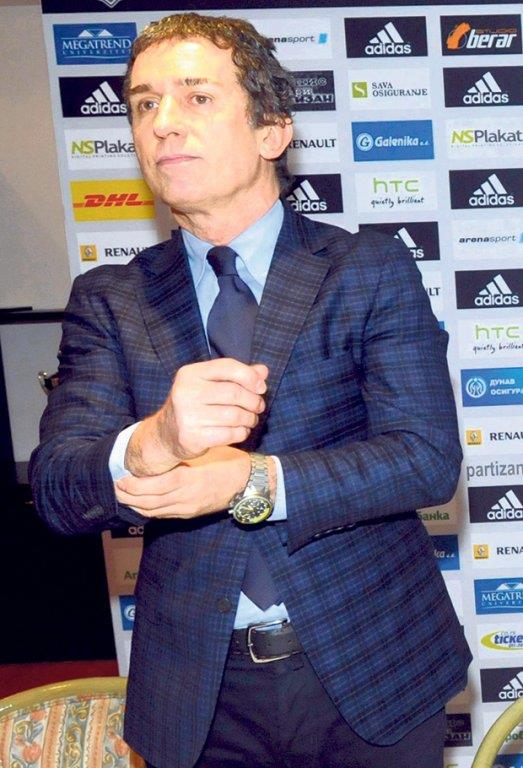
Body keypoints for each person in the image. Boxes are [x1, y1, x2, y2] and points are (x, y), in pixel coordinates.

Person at [30, 12, 472, 768]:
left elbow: (425, 458)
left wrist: (251, 481)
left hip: (375, 672)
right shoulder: (110, 300)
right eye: (144, 104)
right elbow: (58, 489)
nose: (163, 123)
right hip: (200, 697)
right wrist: (158, 440)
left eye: (197, 98)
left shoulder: (365, 268)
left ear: (271, 131)